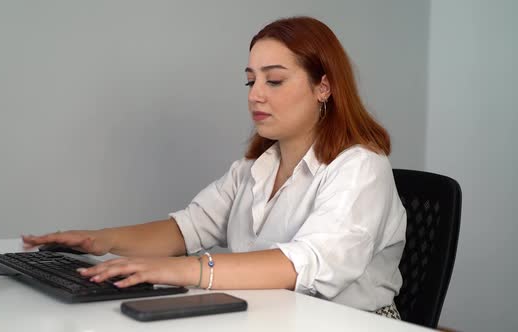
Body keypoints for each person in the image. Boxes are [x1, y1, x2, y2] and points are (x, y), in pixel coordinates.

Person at [23, 16, 406, 319]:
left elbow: (304, 266)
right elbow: (187, 228)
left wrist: (184, 270)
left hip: (350, 322)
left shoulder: (361, 167)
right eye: (250, 80)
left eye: (274, 80)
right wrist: (100, 242)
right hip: (273, 318)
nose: (256, 94)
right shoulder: (254, 167)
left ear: (323, 87)